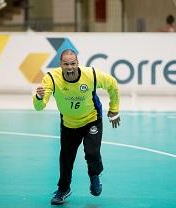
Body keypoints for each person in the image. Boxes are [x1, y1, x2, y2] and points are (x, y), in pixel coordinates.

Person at [33, 49, 120, 205]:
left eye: (73, 63)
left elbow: (112, 85)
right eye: (66, 64)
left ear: (78, 63)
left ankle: (94, 176)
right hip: (69, 124)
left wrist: (114, 109)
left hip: (91, 119)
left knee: (92, 153)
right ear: (60, 65)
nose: (70, 67)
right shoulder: (52, 78)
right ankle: (63, 189)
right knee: (66, 158)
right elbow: (39, 107)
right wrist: (39, 97)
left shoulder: (91, 75)